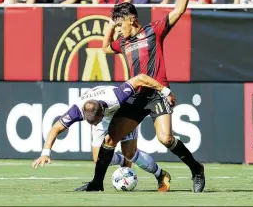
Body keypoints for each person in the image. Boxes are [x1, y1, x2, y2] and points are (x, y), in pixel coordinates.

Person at [81, 0, 205, 193]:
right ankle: (97, 183)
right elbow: (106, 47)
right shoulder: (123, 42)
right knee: (109, 140)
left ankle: (196, 169)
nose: (118, 29)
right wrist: (111, 22)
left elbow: (179, 10)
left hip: (157, 93)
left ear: (132, 20)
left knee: (166, 138)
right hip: (136, 97)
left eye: (120, 24)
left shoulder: (153, 30)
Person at [31, 73, 174, 192]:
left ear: (101, 112)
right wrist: (45, 153)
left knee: (130, 153)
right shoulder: (78, 110)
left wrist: (165, 91)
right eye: (91, 123)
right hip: (102, 115)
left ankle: (160, 174)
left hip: (121, 114)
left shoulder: (116, 96)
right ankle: (123, 161)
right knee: (97, 159)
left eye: (96, 121)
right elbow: (56, 128)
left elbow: (141, 78)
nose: (94, 124)